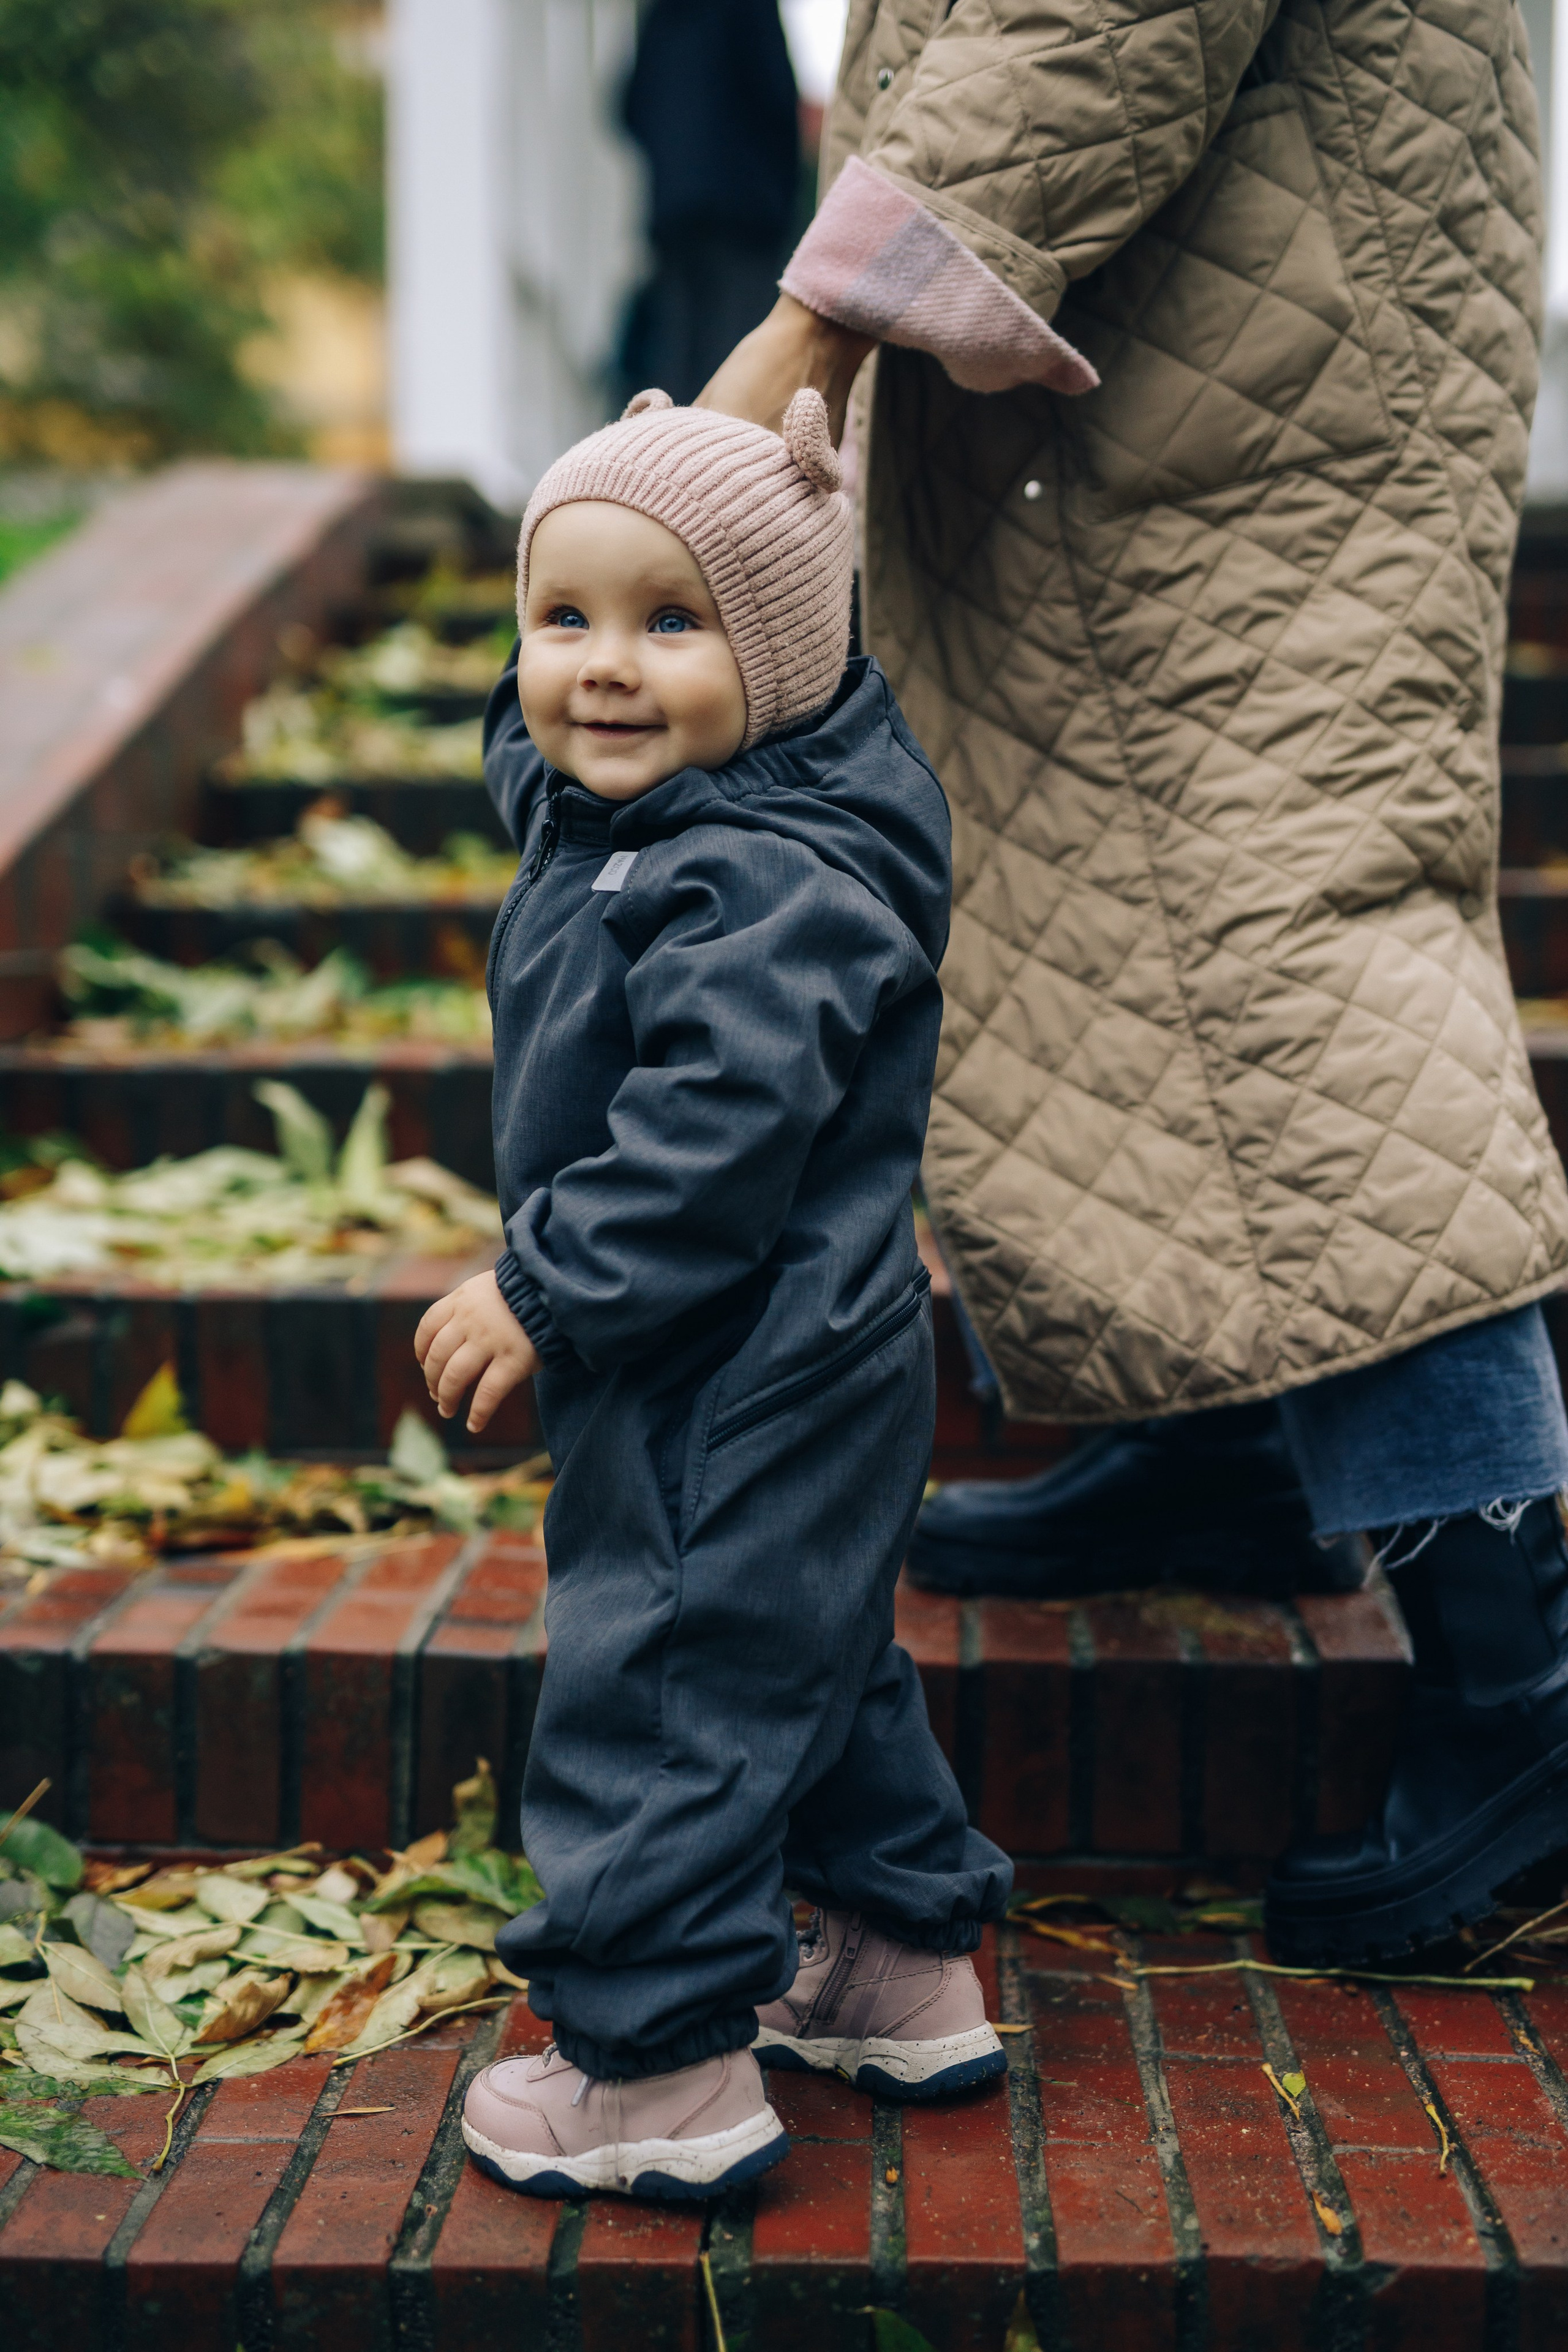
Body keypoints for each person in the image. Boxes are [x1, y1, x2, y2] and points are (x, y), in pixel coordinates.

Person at [696, 0, 1568, 1966]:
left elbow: (1098, 15)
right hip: (1206, 357)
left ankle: (1524, 1693)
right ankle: (1227, 1442)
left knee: (1299, 973)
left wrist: (823, 308)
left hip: (1240, 401)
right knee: (1160, 949)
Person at [414, 388, 1011, 2200]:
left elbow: (706, 1136)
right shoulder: (705, 800)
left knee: (666, 1673)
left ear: (784, 654)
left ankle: (655, 2064)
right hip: (800, 1350)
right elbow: (562, 758)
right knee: (803, 1646)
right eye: (561, 617)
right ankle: (897, 1963)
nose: (602, 668)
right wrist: (598, 681)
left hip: (722, 1354)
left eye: (670, 624)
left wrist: (543, 1281)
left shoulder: (760, 879)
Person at [618, 0, 802, 407]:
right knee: (738, 362)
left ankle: (668, 466)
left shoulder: (663, 13)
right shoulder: (749, 8)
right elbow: (776, 91)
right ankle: (729, 468)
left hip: (676, 216)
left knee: (675, 367)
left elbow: (627, 107)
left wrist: (674, 156)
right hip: (746, 212)